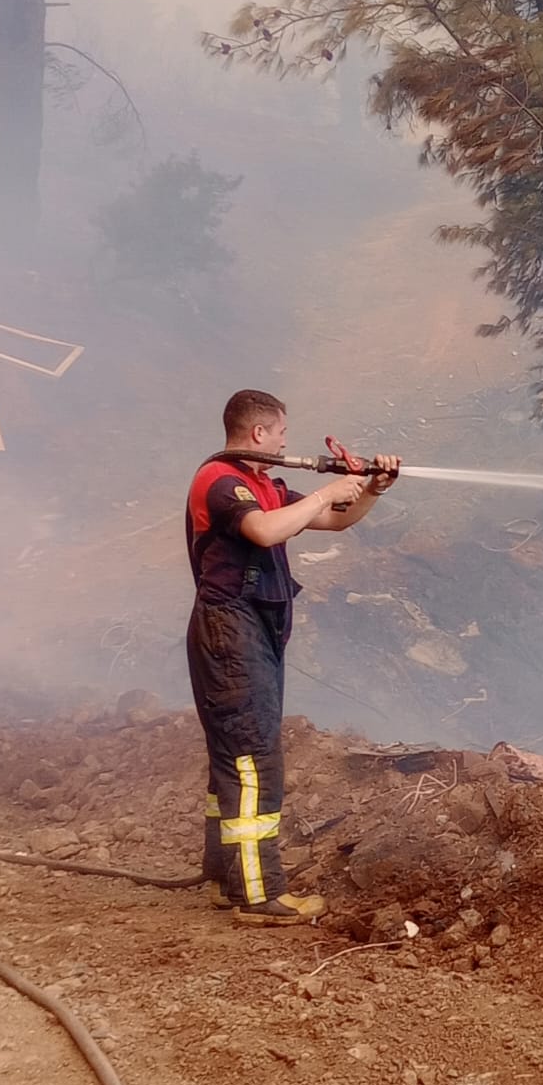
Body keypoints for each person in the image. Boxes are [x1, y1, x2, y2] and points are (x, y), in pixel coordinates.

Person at [185, 389, 400, 925]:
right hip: (229, 632)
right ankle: (261, 896)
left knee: (234, 762)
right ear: (259, 433)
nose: (286, 441)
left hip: (251, 630)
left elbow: (334, 521)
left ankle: (226, 877)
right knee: (256, 761)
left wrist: (371, 490)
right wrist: (327, 490)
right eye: (281, 432)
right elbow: (264, 530)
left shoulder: (264, 486)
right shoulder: (221, 481)